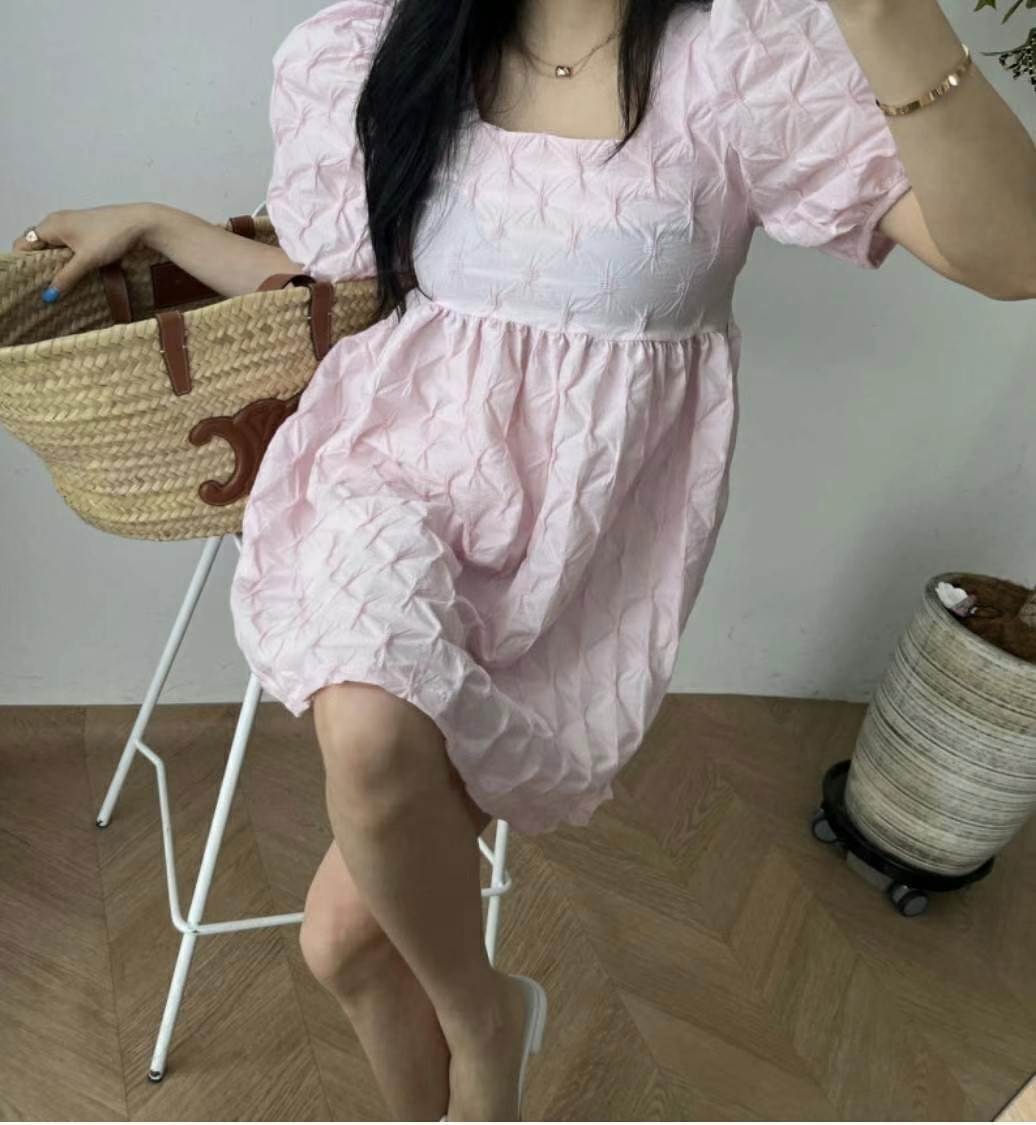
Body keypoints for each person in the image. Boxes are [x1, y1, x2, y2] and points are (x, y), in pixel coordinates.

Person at [13, 0, 1034, 1118]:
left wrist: (884, 12)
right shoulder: (384, 46)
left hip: (570, 561)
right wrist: (159, 223)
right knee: (366, 721)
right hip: (384, 476)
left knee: (342, 944)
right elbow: (331, 282)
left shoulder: (740, 59)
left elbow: (1013, 257)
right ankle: (485, 1027)